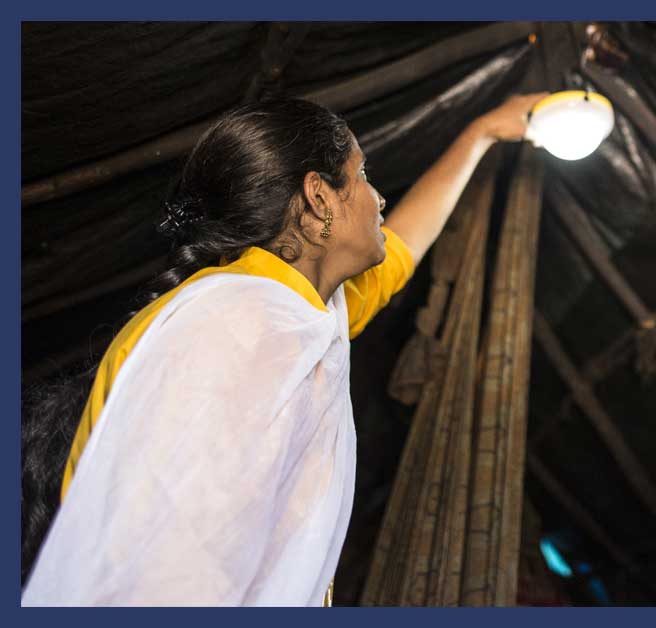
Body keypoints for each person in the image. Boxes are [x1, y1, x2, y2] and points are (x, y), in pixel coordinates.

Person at [22, 92, 546, 605]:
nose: (378, 197)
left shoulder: (301, 317)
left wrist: (482, 134)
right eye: (363, 176)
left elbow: (403, 247)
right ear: (319, 197)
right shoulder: (237, 328)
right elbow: (166, 571)